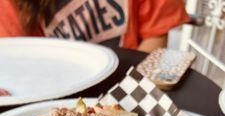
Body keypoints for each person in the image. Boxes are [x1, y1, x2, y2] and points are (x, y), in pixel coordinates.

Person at [0, 0, 189, 52]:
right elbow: (19, 57)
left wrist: (132, 91)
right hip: (52, 93)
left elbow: (155, 35)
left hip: (127, 83)